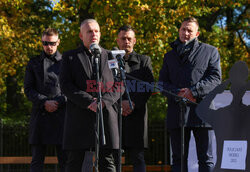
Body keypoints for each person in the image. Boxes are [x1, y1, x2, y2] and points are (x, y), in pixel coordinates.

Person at [59, 19, 123, 172]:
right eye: (89, 31)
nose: (93, 34)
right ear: (81, 35)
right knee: (75, 163)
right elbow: (66, 85)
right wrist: (89, 102)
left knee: (108, 162)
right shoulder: (69, 57)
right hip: (79, 117)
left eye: (96, 31)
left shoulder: (111, 56)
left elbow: (120, 84)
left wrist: (104, 101)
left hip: (105, 116)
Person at [159, 17, 221, 172]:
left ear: (197, 33)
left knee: (206, 159)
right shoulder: (169, 56)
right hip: (176, 112)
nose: (185, 33)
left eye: (189, 30)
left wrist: (192, 91)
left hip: (202, 111)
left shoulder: (210, 51)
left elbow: (215, 78)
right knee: (178, 160)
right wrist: (178, 93)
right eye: (183, 29)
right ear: (179, 30)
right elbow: (162, 83)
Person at [24, 28, 67, 172]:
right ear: (41, 42)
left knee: (65, 161)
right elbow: (28, 89)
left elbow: (71, 89)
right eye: (45, 43)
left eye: (52, 43)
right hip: (40, 115)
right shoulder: (33, 62)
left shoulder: (66, 62)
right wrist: (44, 102)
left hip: (62, 115)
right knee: (36, 160)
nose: (49, 47)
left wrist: (58, 102)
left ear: (58, 42)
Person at [196, 61, 250, 171]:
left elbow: (200, 109)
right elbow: (200, 110)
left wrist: (215, 91)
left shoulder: (221, 114)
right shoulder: (222, 114)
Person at [116, 25, 154, 171]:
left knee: (138, 158)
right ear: (118, 41)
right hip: (116, 115)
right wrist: (120, 104)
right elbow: (105, 85)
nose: (126, 41)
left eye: (129, 39)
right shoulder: (109, 60)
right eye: (123, 38)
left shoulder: (144, 60)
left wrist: (132, 103)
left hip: (137, 116)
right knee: (113, 157)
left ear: (135, 41)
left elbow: (149, 86)